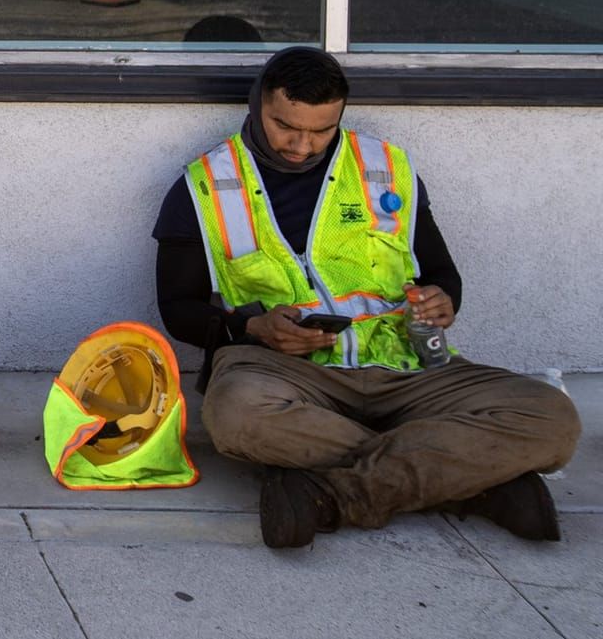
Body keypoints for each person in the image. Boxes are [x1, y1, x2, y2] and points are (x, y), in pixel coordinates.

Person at [152, 46, 579, 549]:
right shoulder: (205, 185)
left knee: (552, 418)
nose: (302, 145)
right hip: (287, 374)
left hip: (407, 368)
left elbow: (440, 271)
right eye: (285, 125)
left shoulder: (385, 169)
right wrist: (253, 328)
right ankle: (473, 485)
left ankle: (333, 494)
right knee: (234, 413)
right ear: (256, 106)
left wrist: (444, 300)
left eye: (321, 130)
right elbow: (178, 308)